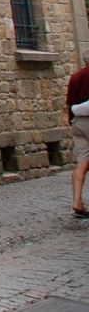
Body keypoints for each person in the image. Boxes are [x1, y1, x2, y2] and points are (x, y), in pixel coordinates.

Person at [69, 51, 89, 219]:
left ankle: (77, 201)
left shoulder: (75, 77)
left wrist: (72, 121)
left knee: (82, 161)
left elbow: (69, 102)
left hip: (77, 123)